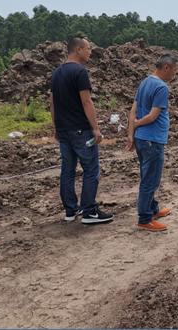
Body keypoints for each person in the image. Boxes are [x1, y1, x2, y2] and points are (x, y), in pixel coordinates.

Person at [50, 35, 114, 224]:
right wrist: (95, 128)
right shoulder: (79, 72)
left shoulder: (56, 73)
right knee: (91, 169)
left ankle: (71, 210)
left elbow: (52, 103)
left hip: (64, 130)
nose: (90, 52)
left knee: (68, 170)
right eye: (88, 48)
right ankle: (90, 212)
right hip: (80, 130)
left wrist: (56, 127)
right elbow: (86, 102)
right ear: (78, 49)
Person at [126, 53, 178, 231]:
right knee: (150, 181)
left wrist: (131, 134)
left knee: (147, 175)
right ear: (166, 67)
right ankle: (145, 218)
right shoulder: (161, 87)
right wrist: (137, 124)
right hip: (152, 139)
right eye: (174, 70)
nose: (174, 74)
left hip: (142, 139)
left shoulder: (144, 82)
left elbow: (132, 111)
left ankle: (153, 209)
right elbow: (152, 116)